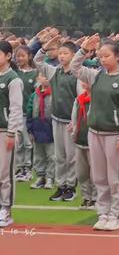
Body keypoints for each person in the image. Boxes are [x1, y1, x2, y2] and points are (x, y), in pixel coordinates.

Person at [70, 35, 119, 231]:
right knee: (99, 176)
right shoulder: (96, 75)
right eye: (100, 56)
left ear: (117, 56)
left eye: (106, 56)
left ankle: (116, 215)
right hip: (94, 133)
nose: (102, 59)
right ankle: (103, 213)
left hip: (114, 135)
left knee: (115, 177)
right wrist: (82, 50)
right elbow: (75, 68)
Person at [33, 31, 81, 202]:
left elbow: (80, 100)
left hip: (71, 121)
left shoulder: (77, 74)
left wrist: (75, 121)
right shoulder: (54, 72)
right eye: (60, 53)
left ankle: (71, 186)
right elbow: (37, 61)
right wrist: (45, 47)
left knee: (71, 156)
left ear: (74, 55)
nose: (61, 56)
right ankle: (61, 186)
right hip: (57, 119)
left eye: (65, 53)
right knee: (59, 155)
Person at [0, 41, 24, 228]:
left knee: (4, 173)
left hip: (4, 131)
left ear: (8, 56)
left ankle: (6, 210)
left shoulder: (13, 79)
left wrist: (11, 132)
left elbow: (16, 109)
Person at [70, 82, 97, 209]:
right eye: (83, 82)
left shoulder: (98, 99)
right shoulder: (79, 99)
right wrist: (74, 128)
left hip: (93, 140)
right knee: (81, 172)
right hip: (80, 139)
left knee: (95, 173)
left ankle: (96, 198)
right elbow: (74, 117)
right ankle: (86, 197)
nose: (84, 84)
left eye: (87, 81)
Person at [27, 73, 55, 190]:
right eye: (43, 76)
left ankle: (50, 177)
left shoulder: (54, 94)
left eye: (48, 76)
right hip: (37, 128)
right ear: (38, 78)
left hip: (50, 129)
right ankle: (40, 176)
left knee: (51, 155)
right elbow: (29, 111)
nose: (45, 79)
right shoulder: (34, 95)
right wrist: (30, 129)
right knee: (39, 155)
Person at [14, 45, 37, 182]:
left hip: (27, 113)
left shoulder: (34, 73)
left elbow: (35, 95)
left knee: (28, 142)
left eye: (22, 55)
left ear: (29, 56)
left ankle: (28, 168)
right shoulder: (15, 73)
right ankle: (20, 167)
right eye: (18, 56)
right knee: (19, 142)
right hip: (16, 113)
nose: (20, 58)